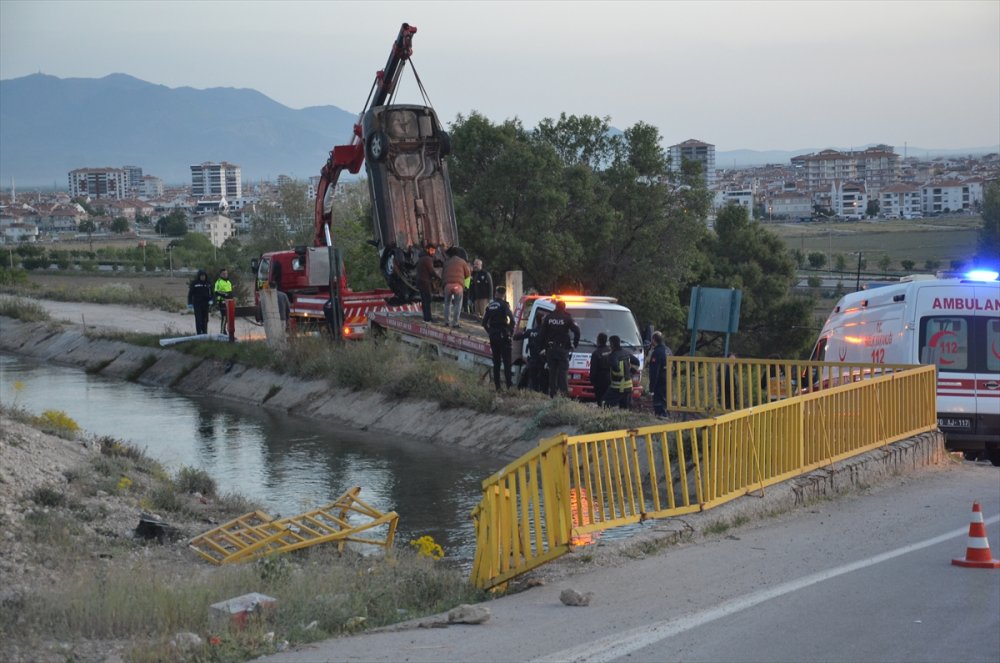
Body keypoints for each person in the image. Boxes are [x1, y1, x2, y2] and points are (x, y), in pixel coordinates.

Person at [541, 299, 580, 397]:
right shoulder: (567, 318)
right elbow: (577, 331)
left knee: (552, 373)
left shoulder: (548, 317)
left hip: (551, 349)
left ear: (555, 307)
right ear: (564, 308)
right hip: (562, 350)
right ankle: (564, 396)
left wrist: (545, 347)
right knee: (563, 373)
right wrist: (575, 344)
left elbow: (542, 334)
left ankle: (552, 395)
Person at [481, 286, 515, 391]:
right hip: (503, 335)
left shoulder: (490, 306)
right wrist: (510, 332)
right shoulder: (504, 305)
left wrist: (490, 332)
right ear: (504, 294)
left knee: (496, 362)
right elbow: (512, 320)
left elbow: (484, 323)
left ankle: (498, 387)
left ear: (496, 293)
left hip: (494, 336)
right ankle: (509, 386)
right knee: (506, 362)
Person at [606, 335, 640, 409]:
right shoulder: (626, 352)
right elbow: (637, 362)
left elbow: (615, 366)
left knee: (604, 403)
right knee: (624, 407)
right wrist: (631, 373)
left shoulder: (612, 356)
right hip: (628, 386)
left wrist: (619, 375)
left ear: (611, 344)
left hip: (618, 387)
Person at [514, 318, 547, 392]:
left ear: (536, 322)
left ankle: (533, 392)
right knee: (543, 381)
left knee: (533, 380)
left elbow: (517, 337)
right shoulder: (546, 334)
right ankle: (542, 394)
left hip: (532, 361)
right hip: (542, 362)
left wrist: (514, 335)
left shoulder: (530, 332)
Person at [441, 249, 471, 328]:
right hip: (458, 286)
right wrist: (466, 287)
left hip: (447, 286)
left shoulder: (446, 262)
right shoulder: (462, 262)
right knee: (458, 304)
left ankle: (446, 322)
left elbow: (443, 275)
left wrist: (443, 286)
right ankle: (455, 323)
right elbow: (468, 275)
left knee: (447, 304)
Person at [647, 331, 672, 417]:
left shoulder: (657, 352)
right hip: (668, 379)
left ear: (654, 340)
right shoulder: (668, 350)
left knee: (659, 403)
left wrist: (651, 388)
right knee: (666, 402)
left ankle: (661, 418)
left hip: (660, 381)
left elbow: (654, 371)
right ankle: (667, 416)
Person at [187, 269, 213, 335]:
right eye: (201, 276)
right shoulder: (195, 283)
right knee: (198, 319)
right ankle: (199, 333)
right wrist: (190, 303)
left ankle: (204, 332)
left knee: (205, 319)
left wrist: (212, 300)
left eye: (204, 276)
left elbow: (212, 293)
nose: (203, 277)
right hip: (197, 304)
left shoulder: (208, 283)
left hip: (205, 304)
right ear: (199, 276)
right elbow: (190, 294)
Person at [416, 245, 438, 323]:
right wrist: (438, 277)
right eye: (432, 250)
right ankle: (428, 318)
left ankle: (426, 317)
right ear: (427, 250)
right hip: (425, 282)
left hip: (420, 281)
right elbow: (431, 271)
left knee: (424, 300)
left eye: (434, 250)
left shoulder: (421, 258)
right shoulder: (427, 259)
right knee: (428, 300)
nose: (433, 252)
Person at [589, 332, 613, 405]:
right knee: (608, 398)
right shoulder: (610, 351)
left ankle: (601, 411)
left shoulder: (596, 353)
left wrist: (592, 380)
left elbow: (593, 369)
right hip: (610, 378)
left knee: (600, 399)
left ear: (598, 341)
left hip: (599, 379)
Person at [213, 268, 234, 334]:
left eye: (226, 273)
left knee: (229, 317)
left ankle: (227, 331)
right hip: (222, 302)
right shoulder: (218, 282)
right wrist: (224, 294)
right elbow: (216, 292)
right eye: (224, 274)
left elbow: (230, 292)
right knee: (224, 316)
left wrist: (232, 297)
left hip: (229, 302)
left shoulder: (228, 282)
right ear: (220, 274)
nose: (225, 275)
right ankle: (222, 331)